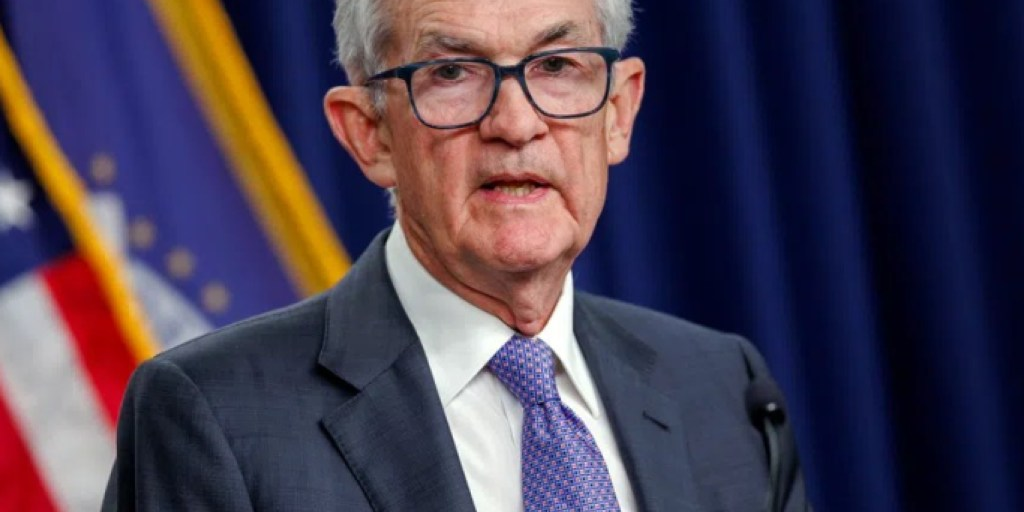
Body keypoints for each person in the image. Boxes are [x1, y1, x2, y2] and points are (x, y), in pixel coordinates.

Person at [103, 0, 810, 510]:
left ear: (617, 113)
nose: (517, 123)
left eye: (556, 65)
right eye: (451, 73)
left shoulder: (724, 388)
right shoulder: (215, 414)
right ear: (369, 133)